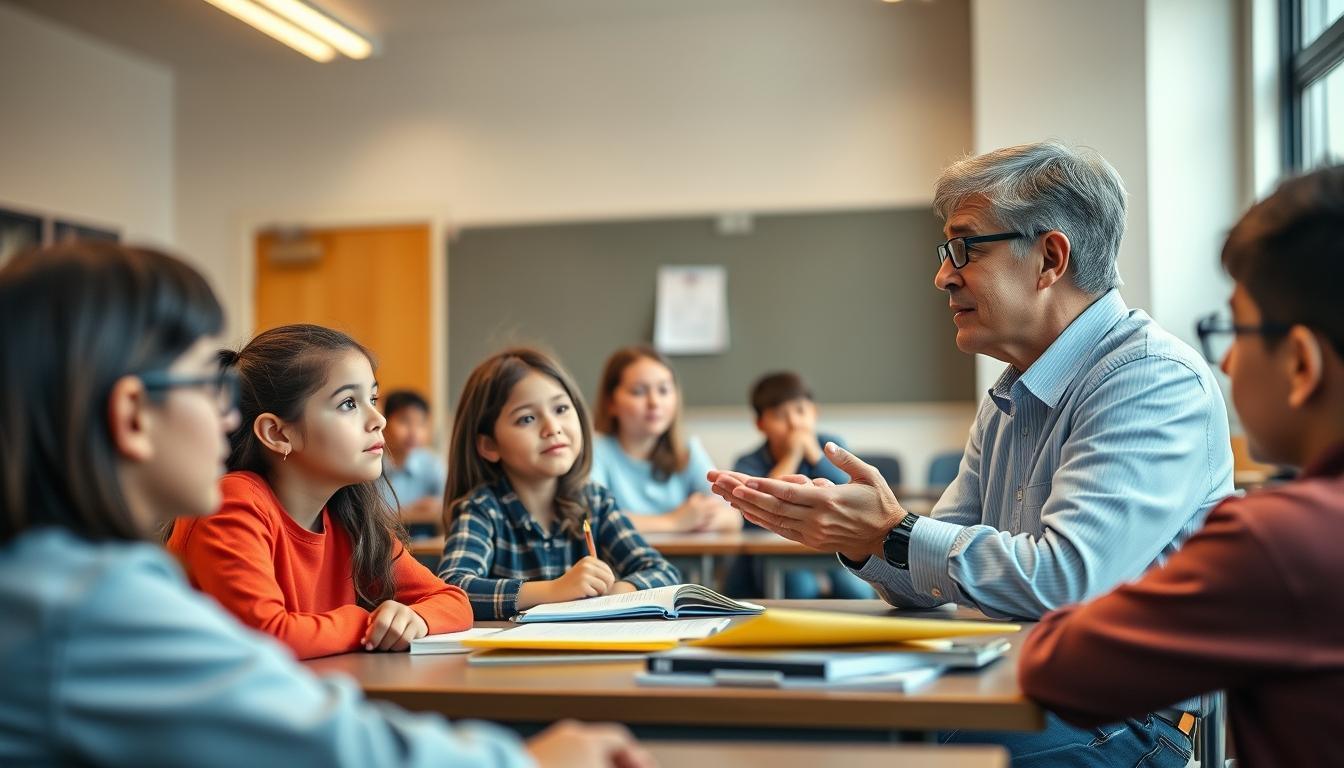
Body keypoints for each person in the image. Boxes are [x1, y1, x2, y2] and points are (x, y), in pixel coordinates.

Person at [0, 241, 651, 767]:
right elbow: (320, 741)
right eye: (209, 383)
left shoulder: (65, 576)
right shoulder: (86, 604)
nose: (228, 413)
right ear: (133, 416)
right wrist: (530, 761)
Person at [709, 141, 1233, 766]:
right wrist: (861, 537)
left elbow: (1065, 581)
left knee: (864, 749)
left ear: (1050, 258)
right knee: (796, 719)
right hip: (1017, 686)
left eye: (965, 247)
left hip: (1131, 722)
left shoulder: (1149, 379)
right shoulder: (1012, 388)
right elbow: (930, 583)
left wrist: (895, 531)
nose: (942, 275)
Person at [1019, 165, 1344, 766]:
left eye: (1235, 331)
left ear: (1301, 363)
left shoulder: (1281, 541)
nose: (1224, 365)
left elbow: (1058, 665)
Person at [168, 325, 472, 660]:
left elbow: (454, 602)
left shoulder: (349, 516)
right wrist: (369, 621)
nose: (378, 420)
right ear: (278, 434)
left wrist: (414, 618)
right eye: (347, 403)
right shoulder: (231, 501)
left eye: (372, 398)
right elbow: (268, 636)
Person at [437, 347, 681, 620]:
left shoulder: (594, 502)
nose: (552, 427)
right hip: (511, 658)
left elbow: (664, 571)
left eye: (561, 409)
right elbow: (454, 588)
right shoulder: (482, 509)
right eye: (527, 418)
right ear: (489, 444)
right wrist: (553, 591)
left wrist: (620, 589)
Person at [724, 371, 873, 599]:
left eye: (801, 411)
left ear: (814, 413)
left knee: (856, 590)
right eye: (780, 416)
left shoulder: (832, 447)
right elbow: (759, 506)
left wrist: (814, 454)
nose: (794, 423)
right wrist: (792, 455)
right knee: (800, 589)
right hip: (771, 555)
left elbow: (849, 493)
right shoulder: (747, 462)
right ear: (761, 424)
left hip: (832, 548)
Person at [590, 345, 738, 533]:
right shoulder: (596, 451)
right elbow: (594, 519)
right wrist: (674, 522)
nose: (654, 402)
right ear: (611, 402)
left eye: (663, 390)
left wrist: (704, 516)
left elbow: (732, 516)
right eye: (638, 391)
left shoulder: (687, 450)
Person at [379, 389, 448, 538]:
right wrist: (410, 513)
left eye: (421, 423)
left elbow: (447, 510)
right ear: (383, 422)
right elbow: (364, 518)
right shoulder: (370, 465)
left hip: (425, 548)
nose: (413, 432)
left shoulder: (432, 464)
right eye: (404, 421)